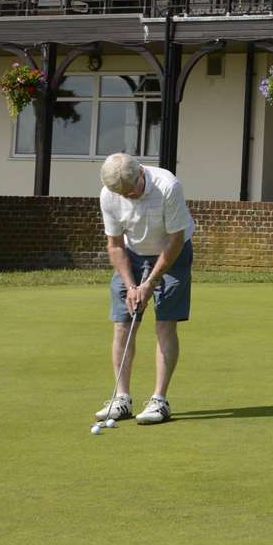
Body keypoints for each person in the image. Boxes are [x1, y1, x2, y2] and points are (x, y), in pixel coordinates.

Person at [94, 153, 194, 425]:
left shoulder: (168, 186)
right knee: (123, 324)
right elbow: (115, 244)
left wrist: (149, 284)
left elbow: (176, 240)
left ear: (141, 174)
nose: (129, 197)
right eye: (123, 194)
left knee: (164, 323)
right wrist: (130, 285)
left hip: (172, 253)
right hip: (133, 254)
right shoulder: (109, 194)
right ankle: (122, 399)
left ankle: (159, 400)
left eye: (132, 191)